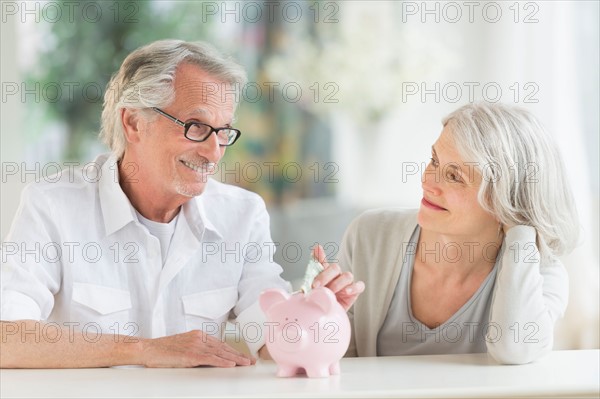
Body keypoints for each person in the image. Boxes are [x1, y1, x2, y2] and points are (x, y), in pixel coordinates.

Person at [0, 40, 363, 368]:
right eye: (196, 126)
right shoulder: (53, 205)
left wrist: (311, 316)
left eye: (223, 132)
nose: (213, 152)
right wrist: (145, 349)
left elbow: (272, 343)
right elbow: (7, 338)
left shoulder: (242, 214)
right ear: (133, 123)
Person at [311, 102, 579, 364]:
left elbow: (515, 350)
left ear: (503, 200)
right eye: (434, 160)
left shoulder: (542, 275)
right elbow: (340, 368)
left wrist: (521, 230)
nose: (428, 181)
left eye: (454, 176)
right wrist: (318, 318)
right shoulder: (371, 235)